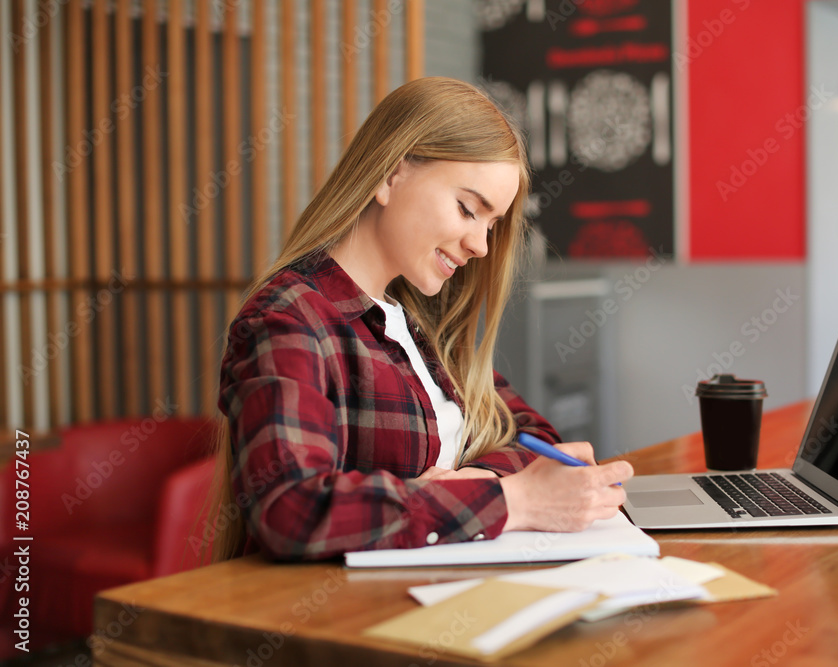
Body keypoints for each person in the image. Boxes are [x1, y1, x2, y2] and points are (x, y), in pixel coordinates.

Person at [206, 77, 633, 562]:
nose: (481, 246)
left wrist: (477, 481)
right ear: (390, 176)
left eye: (491, 224)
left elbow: (535, 435)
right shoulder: (290, 319)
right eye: (468, 209)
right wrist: (513, 500)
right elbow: (294, 508)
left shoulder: (416, 324)